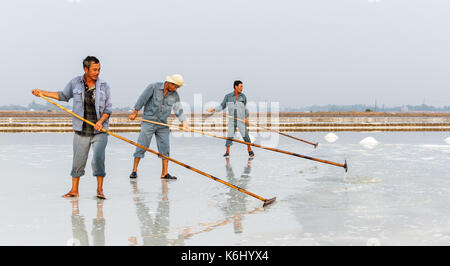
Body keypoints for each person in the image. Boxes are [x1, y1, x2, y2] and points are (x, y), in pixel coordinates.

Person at [32, 56, 112, 199]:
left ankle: (100, 190)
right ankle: (74, 190)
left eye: (99, 69)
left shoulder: (104, 85)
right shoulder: (75, 83)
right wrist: (42, 93)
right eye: (94, 69)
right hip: (81, 130)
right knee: (78, 160)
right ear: (85, 69)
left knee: (98, 158)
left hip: (99, 130)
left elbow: (108, 109)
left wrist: (101, 121)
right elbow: (62, 95)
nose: (97, 72)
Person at [128, 74, 189, 179]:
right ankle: (134, 171)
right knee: (142, 145)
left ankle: (164, 173)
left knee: (165, 147)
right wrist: (135, 112)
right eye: (176, 86)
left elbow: (178, 108)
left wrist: (184, 122)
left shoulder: (175, 94)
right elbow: (142, 99)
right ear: (169, 83)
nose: (176, 89)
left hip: (162, 124)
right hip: (148, 121)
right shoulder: (153, 87)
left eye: (178, 87)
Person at [207, 80, 254, 157]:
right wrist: (214, 109)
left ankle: (249, 150)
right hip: (232, 120)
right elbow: (222, 106)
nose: (242, 88)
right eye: (240, 86)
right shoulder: (228, 96)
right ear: (236, 86)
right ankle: (227, 152)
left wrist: (246, 118)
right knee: (230, 135)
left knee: (245, 135)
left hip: (241, 119)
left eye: (242, 86)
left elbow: (245, 108)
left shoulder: (243, 96)